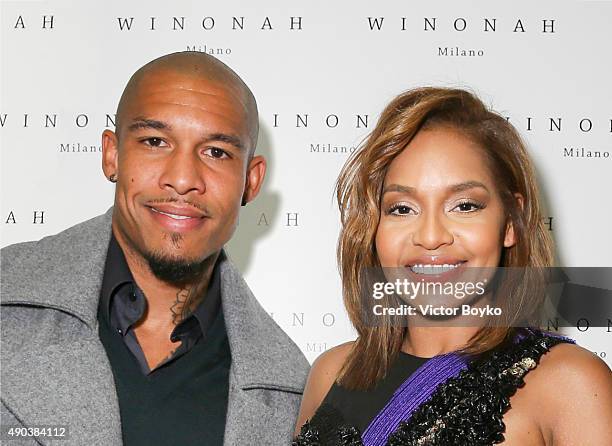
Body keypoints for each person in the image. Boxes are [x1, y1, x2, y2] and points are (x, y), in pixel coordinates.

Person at [1, 51, 309, 445]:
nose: (182, 179)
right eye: (155, 141)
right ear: (112, 155)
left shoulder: (293, 397)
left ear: (251, 180)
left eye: (216, 152)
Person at [293, 87, 612, 445]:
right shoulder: (332, 372)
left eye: (464, 206)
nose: (430, 236)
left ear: (510, 221)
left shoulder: (571, 385)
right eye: (402, 208)